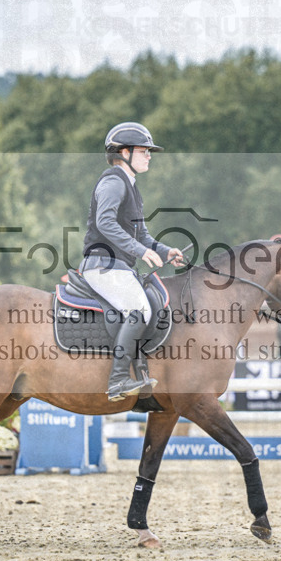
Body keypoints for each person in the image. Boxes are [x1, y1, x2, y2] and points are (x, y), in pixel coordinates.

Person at [81, 122, 184, 401]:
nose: (149, 155)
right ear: (124, 152)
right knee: (139, 309)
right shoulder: (114, 182)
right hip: (102, 265)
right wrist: (139, 251)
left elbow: (143, 235)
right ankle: (117, 380)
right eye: (143, 150)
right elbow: (105, 222)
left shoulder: (131, 186)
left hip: (118, 267)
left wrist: (165, 251)